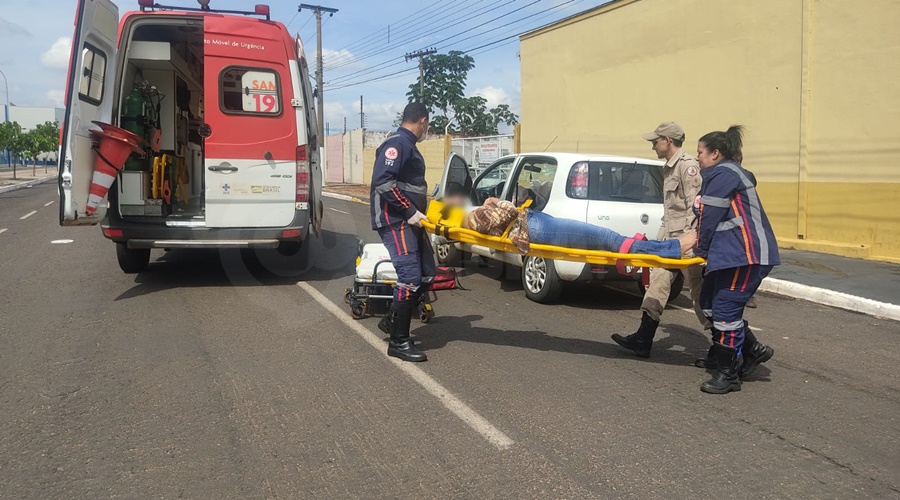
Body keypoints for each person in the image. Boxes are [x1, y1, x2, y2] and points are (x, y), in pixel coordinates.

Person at [612, 122, 711, 358]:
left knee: (700, 296)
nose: (653, 146)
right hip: (669, 241)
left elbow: (696, 208)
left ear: (667, 140)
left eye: (655, 141)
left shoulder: (687, 167)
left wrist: (689, 243)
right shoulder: (668, 167)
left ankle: (739, 346)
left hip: (685, 243)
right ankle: (643, 339)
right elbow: (670, 212)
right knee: (655, 286)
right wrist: (659, 240)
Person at [693, 125, 779, 394]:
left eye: (700, 152)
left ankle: (728, 374)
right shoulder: (721, 173)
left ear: (715, 153)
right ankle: (752, 350)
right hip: (730, 255)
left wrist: (700, 248)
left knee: (726, 311)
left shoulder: (724, 173)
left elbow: (708, 216)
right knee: (707, 304)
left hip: (745, 255)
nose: (697, 158)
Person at [370, 103, 434, 362]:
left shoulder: (409, 146)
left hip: (412, 222)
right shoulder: (398, 144)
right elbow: (383, 181)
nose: (427, 128)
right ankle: (399, 341)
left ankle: (390, 321)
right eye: (427, 124)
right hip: (395, 220)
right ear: (423, 120)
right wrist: (409, 210)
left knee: (427, 274)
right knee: (409, 276)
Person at [463, 197, 697, 258]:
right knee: (611, 240)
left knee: (611, 239)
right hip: (534, 228)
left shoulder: (474, 215)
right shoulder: (470, 218)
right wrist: (495, 201)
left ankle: (666, 246)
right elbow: (509, 212)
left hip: (535, 223)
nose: (454, 199)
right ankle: (676, 247)